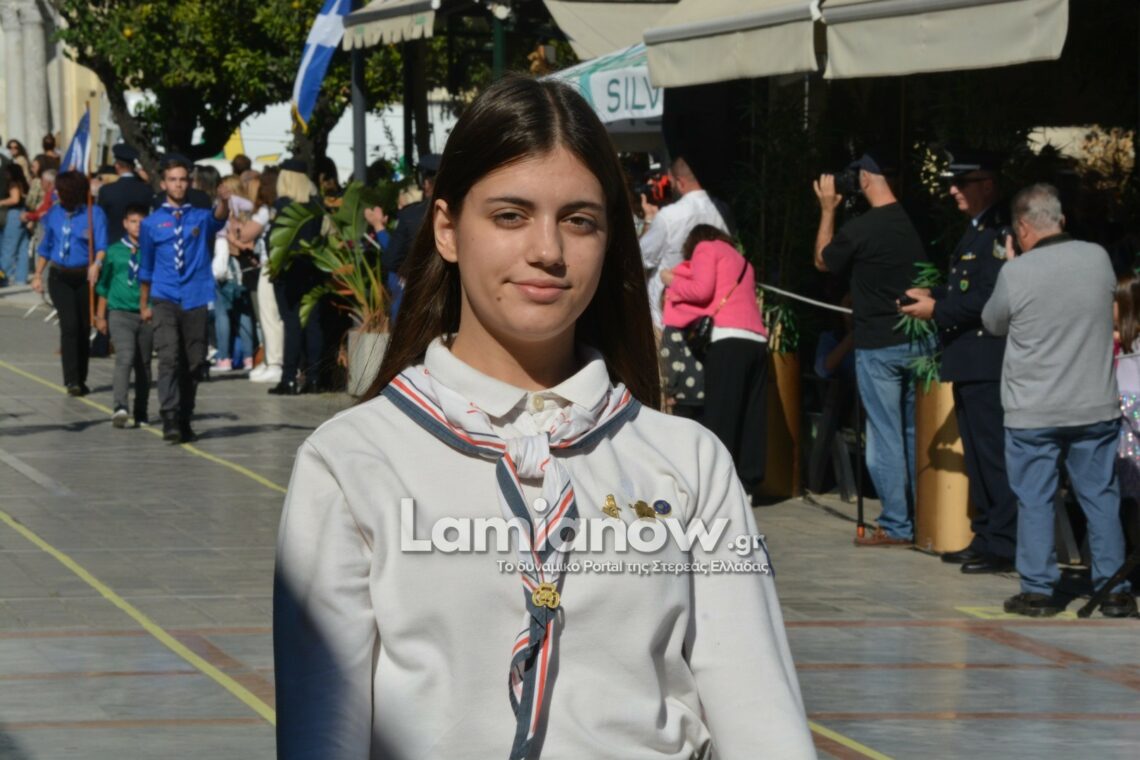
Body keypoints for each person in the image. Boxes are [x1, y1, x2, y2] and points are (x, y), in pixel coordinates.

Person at [273, 76, 813, 760]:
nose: (548, 250)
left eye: (580, 220)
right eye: (510, 215)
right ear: (447, 229)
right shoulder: (352, 462)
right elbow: (322, 735)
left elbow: (762, 721)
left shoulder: (690, 463)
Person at [981, 183, 1135, 618]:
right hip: (1093, 404)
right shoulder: (1098, 258)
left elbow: (993, 322)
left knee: (1035, 498)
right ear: (1061, 220)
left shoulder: (1016, 273)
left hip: (1034, 409)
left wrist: (1012, 266)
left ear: (1022, 228)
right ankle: (1113, 591)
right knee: (1100, 496)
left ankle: (1038, 591)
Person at [899, 149, 1019, 574]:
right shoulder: (977, 230)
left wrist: (938, 310)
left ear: (987, 184)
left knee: (992, 454)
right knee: (978, 457)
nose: (953, 191)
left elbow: (991, 298)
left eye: (962, 183)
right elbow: (967, 291)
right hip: (969, 359)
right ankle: (987, 535)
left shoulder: (1000, 233)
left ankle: (1004, 542)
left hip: (987, 358)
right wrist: (934, 296)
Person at [814, 151, 929, 546]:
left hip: (879, 344)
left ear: (864, 179)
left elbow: (823, 261)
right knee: (912, 432)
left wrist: (827, 209)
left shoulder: (862, 228)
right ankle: (923, 515)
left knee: (884, 436)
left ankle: (897, 523)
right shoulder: (911, 220)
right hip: (918, 339)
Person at [662, 225, 770, 502]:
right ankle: (748, 486)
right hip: (757, 340)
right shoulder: (742, 260)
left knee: (722, 415)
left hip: (728, 338)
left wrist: (671, 280)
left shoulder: (706, 248)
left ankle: (717, 486)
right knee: (751, 416)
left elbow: (701, 290)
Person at [138, 157, 231, 443]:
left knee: (194, 361)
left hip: (195, 295)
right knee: (168, 357)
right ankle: (169, 415)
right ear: (163, 183)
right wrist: (144, 304)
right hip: (164, 296)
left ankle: (185, 414)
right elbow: (146, 267)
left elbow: (219, 218)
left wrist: (224, 201)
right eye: (173, 180)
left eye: (182, 179)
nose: (178, 185)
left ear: (189, 183)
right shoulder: (151, 223)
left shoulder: (199, 217)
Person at [31, 171, 109, 395]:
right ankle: (71, 379)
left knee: (83, 327)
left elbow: (102, 245)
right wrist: (38, 274)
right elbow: (46, 247)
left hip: (85, 277)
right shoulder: (55, 213)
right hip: (60, 277)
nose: (57, 193)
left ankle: (81, 378)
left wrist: (97, 264)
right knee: (70, 325)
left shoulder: (94, 213)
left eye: (62, 190)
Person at [639, 156, 728, 332]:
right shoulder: (723, 211)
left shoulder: (668, 216)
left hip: (666, 312)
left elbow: (642, 257)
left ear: (680, 182)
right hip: (708, 313)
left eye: (671, 183)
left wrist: (649, 218)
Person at [268, 159, 325, 395]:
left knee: (291, 324)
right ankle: (314, 378)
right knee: (312, 324)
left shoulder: (282, 205)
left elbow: (274, 241)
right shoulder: (317, 205)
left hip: (287, 271)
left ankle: (289, 378)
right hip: (313, 269)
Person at [95, 204, 153, 428]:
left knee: (144, 364)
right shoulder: (114, 251)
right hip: (120, 313)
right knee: (125, 357)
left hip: (146, 314)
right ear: (125, 224)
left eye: (141, 222)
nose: (137, 226)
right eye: (133, 222)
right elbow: (104, 285)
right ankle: (120, 406)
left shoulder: (153, 250)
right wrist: (100, 316)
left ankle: (141, 410)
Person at [232, 167, 283, 384]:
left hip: (268, 265)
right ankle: (271, 360)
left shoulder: (265, 211)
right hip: (270, 263)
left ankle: (274, 362)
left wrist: (235, 227)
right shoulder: (276, 209)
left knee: (269, 316)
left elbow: (246, 234)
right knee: (271, 316)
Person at [384, 153, 440, 322]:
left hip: (417, 297)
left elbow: (391, 260)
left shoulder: (410, 215)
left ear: (427, 183)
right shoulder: (465, 212)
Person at [97, 143, 155, 241]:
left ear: (117, 166)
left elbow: (100, 222)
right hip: (139, 242)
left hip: (112, 243)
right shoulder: (146, 190)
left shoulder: (106, 191)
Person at [0, 163, 30, 286]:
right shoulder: (23, 183)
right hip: (23, 213)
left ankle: (4, 278)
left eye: (7, 172)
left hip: (13, 215)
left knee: (8, 248)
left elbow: (15, 199)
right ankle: (21, 278)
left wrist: (1, 202)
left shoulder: (13, 183)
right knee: (23, 248)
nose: (5, 174)